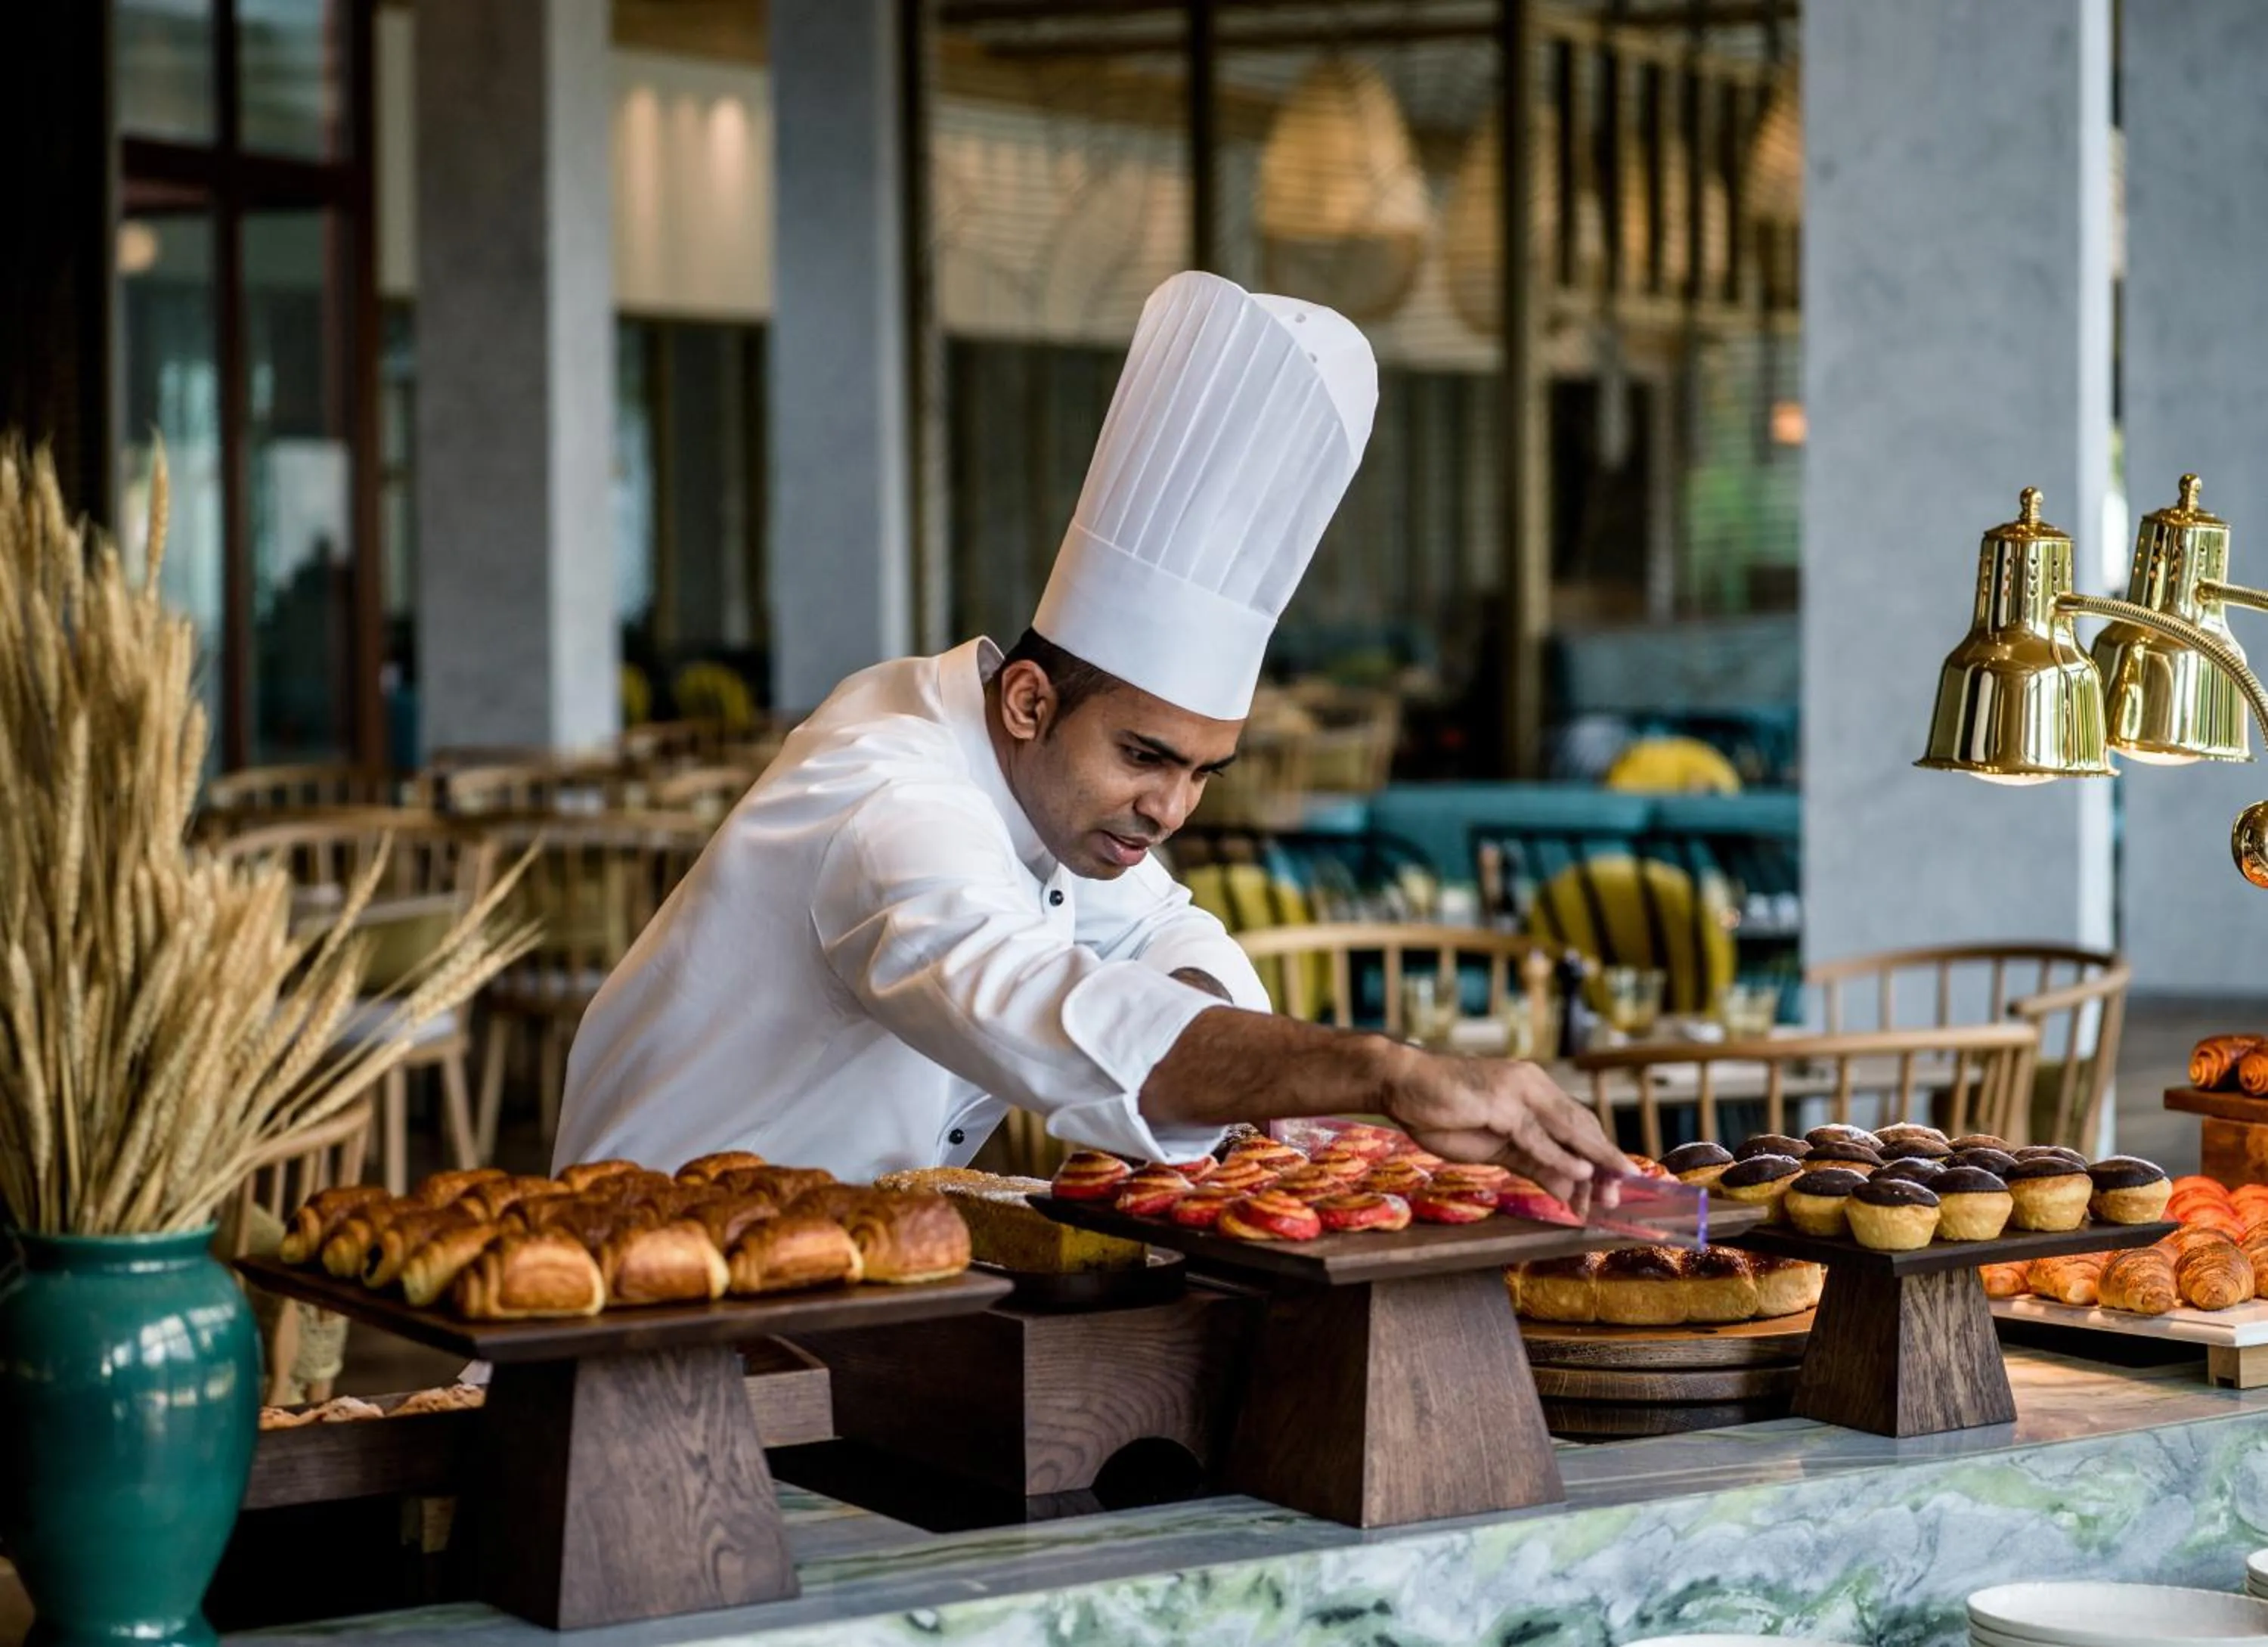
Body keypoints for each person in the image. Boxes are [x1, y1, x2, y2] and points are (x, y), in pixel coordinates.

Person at [553, 271, 1627, 1204]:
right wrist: (1384, 1072)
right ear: (1028, 703)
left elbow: (1161, 939)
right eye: (1146, 756)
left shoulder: (1047, 790)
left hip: (835, 1292)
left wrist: (1233, 1046)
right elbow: (1047, 1005)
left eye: (1205, 772)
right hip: (642, 1319)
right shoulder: (891, 801)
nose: (1170, 809)